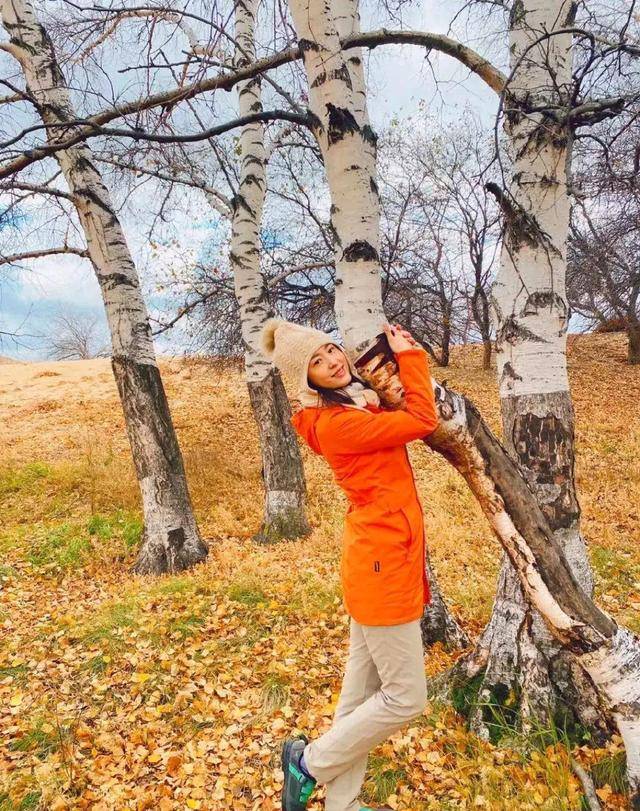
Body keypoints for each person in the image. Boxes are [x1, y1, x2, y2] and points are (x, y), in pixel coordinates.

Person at [259, 317, 439, 811]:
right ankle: (308, 765)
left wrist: (380, 379)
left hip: (377, 559)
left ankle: (342, 804)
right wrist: (411, 358)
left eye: (330, 350)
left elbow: (387, 411)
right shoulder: (339, 425)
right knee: (405, 699)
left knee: (359, 696)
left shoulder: (351, 407)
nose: (333, 362)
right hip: (383, 567)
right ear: (306, 382)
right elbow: (423, 421)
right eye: (317, 363)